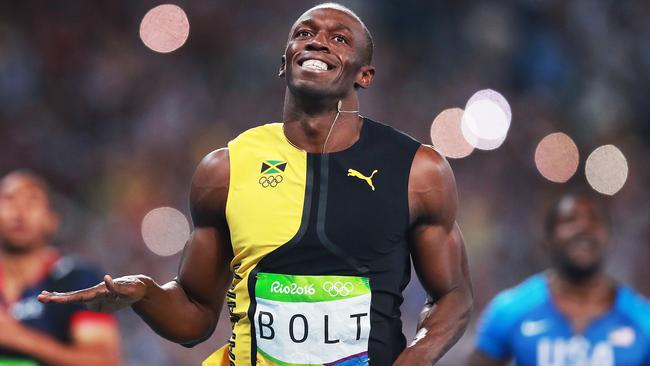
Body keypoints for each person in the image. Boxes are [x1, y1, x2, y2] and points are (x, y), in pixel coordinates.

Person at [39, 3, 473, 365]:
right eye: (304, 33)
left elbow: (453, 295)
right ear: (284, 63)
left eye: (340, 38)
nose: (318, 40)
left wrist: (415, 357)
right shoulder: (224, 170)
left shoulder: (418, 171)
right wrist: (145, 294)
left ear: (365, 74)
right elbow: (195, 318)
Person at [469, 192, 650, 366]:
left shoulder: (643, 319)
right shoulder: (509, 309)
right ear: (548, 239)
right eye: (570, 220)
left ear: (610, 238)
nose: (584, 228)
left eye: (595, 220)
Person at [0, 170, 121, 366]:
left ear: (52, 221)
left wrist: (18, 337)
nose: (19, 212)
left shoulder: (77, 280)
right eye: (9, 199)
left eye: (32, 202)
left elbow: (104, 362)